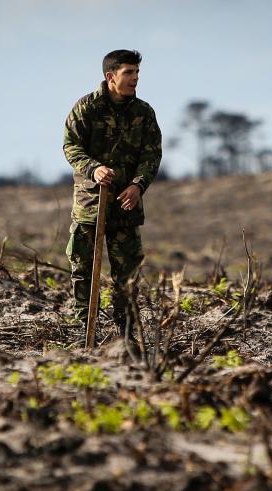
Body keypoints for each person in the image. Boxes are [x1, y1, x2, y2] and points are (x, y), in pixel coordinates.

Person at [62, 49, 162, 335]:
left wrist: (138, 185)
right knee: (83, 269)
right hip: (91, 204)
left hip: (126, 206)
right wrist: (93, 169)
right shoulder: (86, 108)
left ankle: (127, 331)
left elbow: (151, 155)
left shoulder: (144, 113)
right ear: (111, 76)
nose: (135, 79)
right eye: (129, 73)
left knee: (127, 274)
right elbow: (71, 146)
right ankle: (85, 327)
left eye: (137, 73)